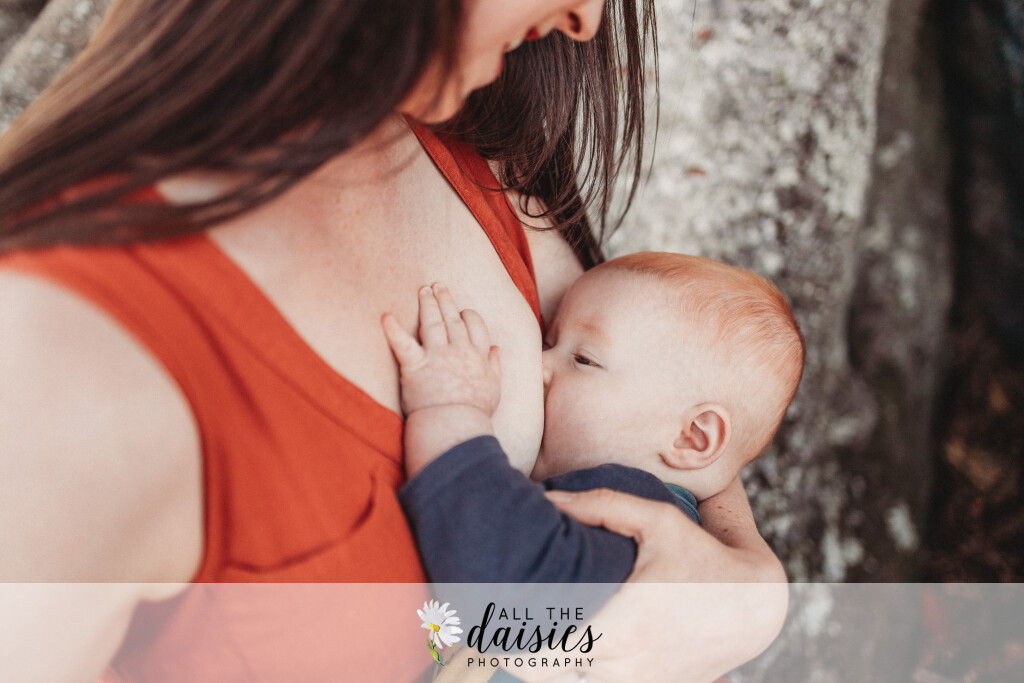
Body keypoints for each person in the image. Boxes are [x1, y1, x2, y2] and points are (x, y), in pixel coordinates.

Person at [0, 0, 787, 681]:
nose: (587, 17)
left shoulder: (471, 146)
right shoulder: (64, 367)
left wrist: (750, 586)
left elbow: (673, 400)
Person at [388, 252, 804, 584]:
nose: (538, 364)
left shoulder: (635, 525)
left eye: (584, 359)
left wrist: (453, 410)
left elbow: (503, 578)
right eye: (548, 341)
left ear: (692, 437)